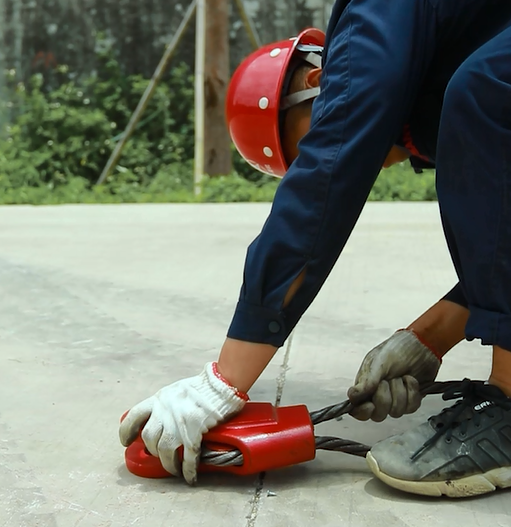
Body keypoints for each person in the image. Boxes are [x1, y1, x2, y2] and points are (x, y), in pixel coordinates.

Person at [119, 0, 511, 498]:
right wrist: (429, 337)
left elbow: (327, 177)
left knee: (487, 93)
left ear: (312, 85)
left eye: (304, 149)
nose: (309, 162)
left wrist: (223, 382)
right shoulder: (439, 100)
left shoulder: (374, 19)